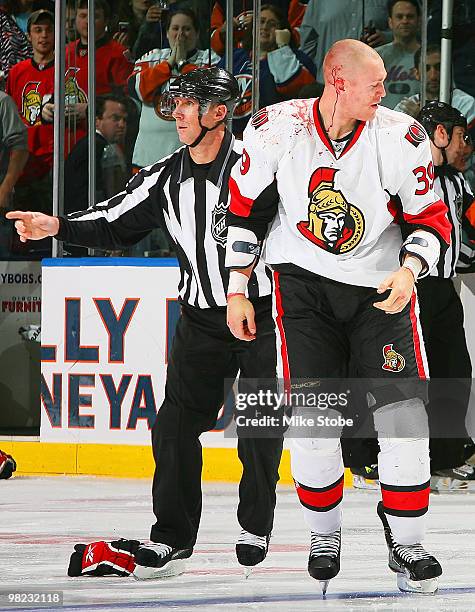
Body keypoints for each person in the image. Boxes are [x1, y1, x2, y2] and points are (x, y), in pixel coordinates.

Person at [7, 67, 283, 580]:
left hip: (263, 314)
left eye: (188, 104)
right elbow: (116, 222)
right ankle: (172, 538)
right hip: (201, 318)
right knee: (175, 426)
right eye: (175, 103)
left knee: (261, 426)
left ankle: (255, 523)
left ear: (218, 112)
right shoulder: (165, 176)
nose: (175, 113)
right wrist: (58, 226)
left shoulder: (259, 166)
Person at [225, 39, 450, 594]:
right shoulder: (276, 128)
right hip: (302, 292)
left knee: (404, 420)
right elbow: (242, 211)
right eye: (374, 83)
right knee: (314, 421)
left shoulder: (401, 135)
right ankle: (324, 533)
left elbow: (432, 219)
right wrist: (237, 289)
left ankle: (408, 540)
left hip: (382, 291)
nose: (384, 92)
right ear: (337, 79)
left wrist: (410, 269)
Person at [415, 101, 475, 491]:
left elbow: (467, 222)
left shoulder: (457, 182)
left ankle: (448, 458)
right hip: (409, 291)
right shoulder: (407, 175)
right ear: (439, 134)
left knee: (453, 372)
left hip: (442, 291)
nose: (465, 146)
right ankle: (377, 457)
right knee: (407, 381)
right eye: (460, 136)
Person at [129, 8, 220, 169]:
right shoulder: (151, 57)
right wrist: (169, 64)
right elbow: (137, 90)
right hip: (148, 158)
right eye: (175, 28)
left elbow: (207, 93)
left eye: (187, 29)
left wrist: (182, 64)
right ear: (167, 33)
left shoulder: (210, 59)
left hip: (191, 161)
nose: (180, 35)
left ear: (197, 34)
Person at [218, 3, 316, 137]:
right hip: (232, 139)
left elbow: (291, 86)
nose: (264, 27)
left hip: (273, 139)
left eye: (272, 24)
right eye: (261, 22)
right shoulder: (234, 57)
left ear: (282, 30)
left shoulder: (297, 59)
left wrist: (282, 47)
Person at [5, 9, 54, 213]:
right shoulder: (17, 72)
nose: (43, 35)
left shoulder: (66, 69)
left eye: (49, 30)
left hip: (53, 160)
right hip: (24, 162)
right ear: (29, 35)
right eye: (38, 30)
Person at [64, 94, 128, 217]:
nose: (122, 124)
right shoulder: (99, 147)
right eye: (115, 118)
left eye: (124, 120)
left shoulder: (90, 144)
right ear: (97, 121)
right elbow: (111, 191)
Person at [394, 44, 475, 129]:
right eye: (426, 69)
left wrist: (422, 117)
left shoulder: (465, 103)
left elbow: (457, 140)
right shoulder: (406, 107)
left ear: (449, 70)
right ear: (416, 73)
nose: (433, 76)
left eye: (438, 67)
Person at [298, 0, 390, 71]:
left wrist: (388, 37)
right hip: (328, 82)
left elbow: (400, 29)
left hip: (373, 81)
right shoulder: (319, 2)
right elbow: (308, 41)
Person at [377, 0, 420, 110]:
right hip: (381, 123)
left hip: (418, 123)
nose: (405, 21)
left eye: (410, 16)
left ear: (419, 21)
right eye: (399, 17)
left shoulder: (431, 58)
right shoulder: (375, 56)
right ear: (390, 22)